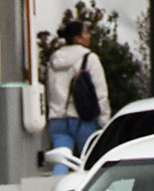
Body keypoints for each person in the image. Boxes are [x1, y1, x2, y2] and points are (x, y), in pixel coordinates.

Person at [44, 19, 110, 164]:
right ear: (78, 38)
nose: (89, 35)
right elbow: (101, 93)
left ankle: (57, 185)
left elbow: (50, 89)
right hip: (83, 120)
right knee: (88, 163)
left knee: (61, 161)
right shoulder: (89, 58)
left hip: (57, 119)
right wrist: (105, 122)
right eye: (86, 32)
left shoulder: (54, 61)